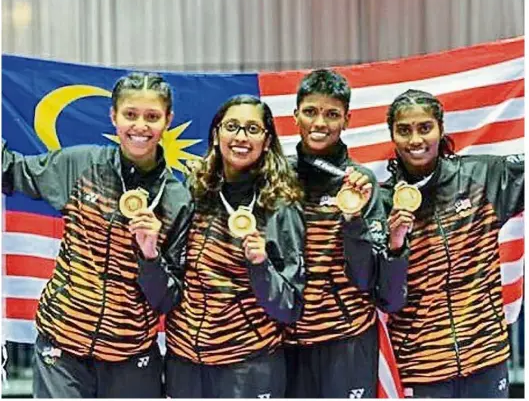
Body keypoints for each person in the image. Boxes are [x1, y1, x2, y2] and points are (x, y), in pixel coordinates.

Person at [2, 72, 192, 398]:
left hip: (131, 358)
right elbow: (10, 172)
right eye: (130, 115)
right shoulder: (80, 165)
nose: (140, 127)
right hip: (62, 349)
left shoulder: (177, 199)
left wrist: (150, 256)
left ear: (168, 120)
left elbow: (167, 300)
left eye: (152, 117)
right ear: (113, 116)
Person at [139, 94, 307, 398]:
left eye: (252, 129)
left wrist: (260, 266)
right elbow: (171, 285)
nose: (241, 137)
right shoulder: (194, 193)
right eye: (232, 126)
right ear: (216, 134)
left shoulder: (280, 207)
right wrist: (149, 256)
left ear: (267, 141)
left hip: (248, 367)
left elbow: (289, 307)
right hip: (185, 365)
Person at [381, 89, 524, 398]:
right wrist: (395, 245)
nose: (415, 140)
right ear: (392, 135)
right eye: (404, 130)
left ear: (441, 128)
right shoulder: (383, 202)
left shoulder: (481, 176)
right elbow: (387, 299)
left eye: (424, 127)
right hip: (421, 367)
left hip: (486, 357)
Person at [284, 69, 409, 398]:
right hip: (285, 340)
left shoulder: (359, 181)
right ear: (295, 114)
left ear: (347, 120)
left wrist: (354, 220)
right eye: (310, 111)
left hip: (348, 338)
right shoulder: (276, 176)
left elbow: (368, 276)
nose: (320, 123)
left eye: (331, 114)